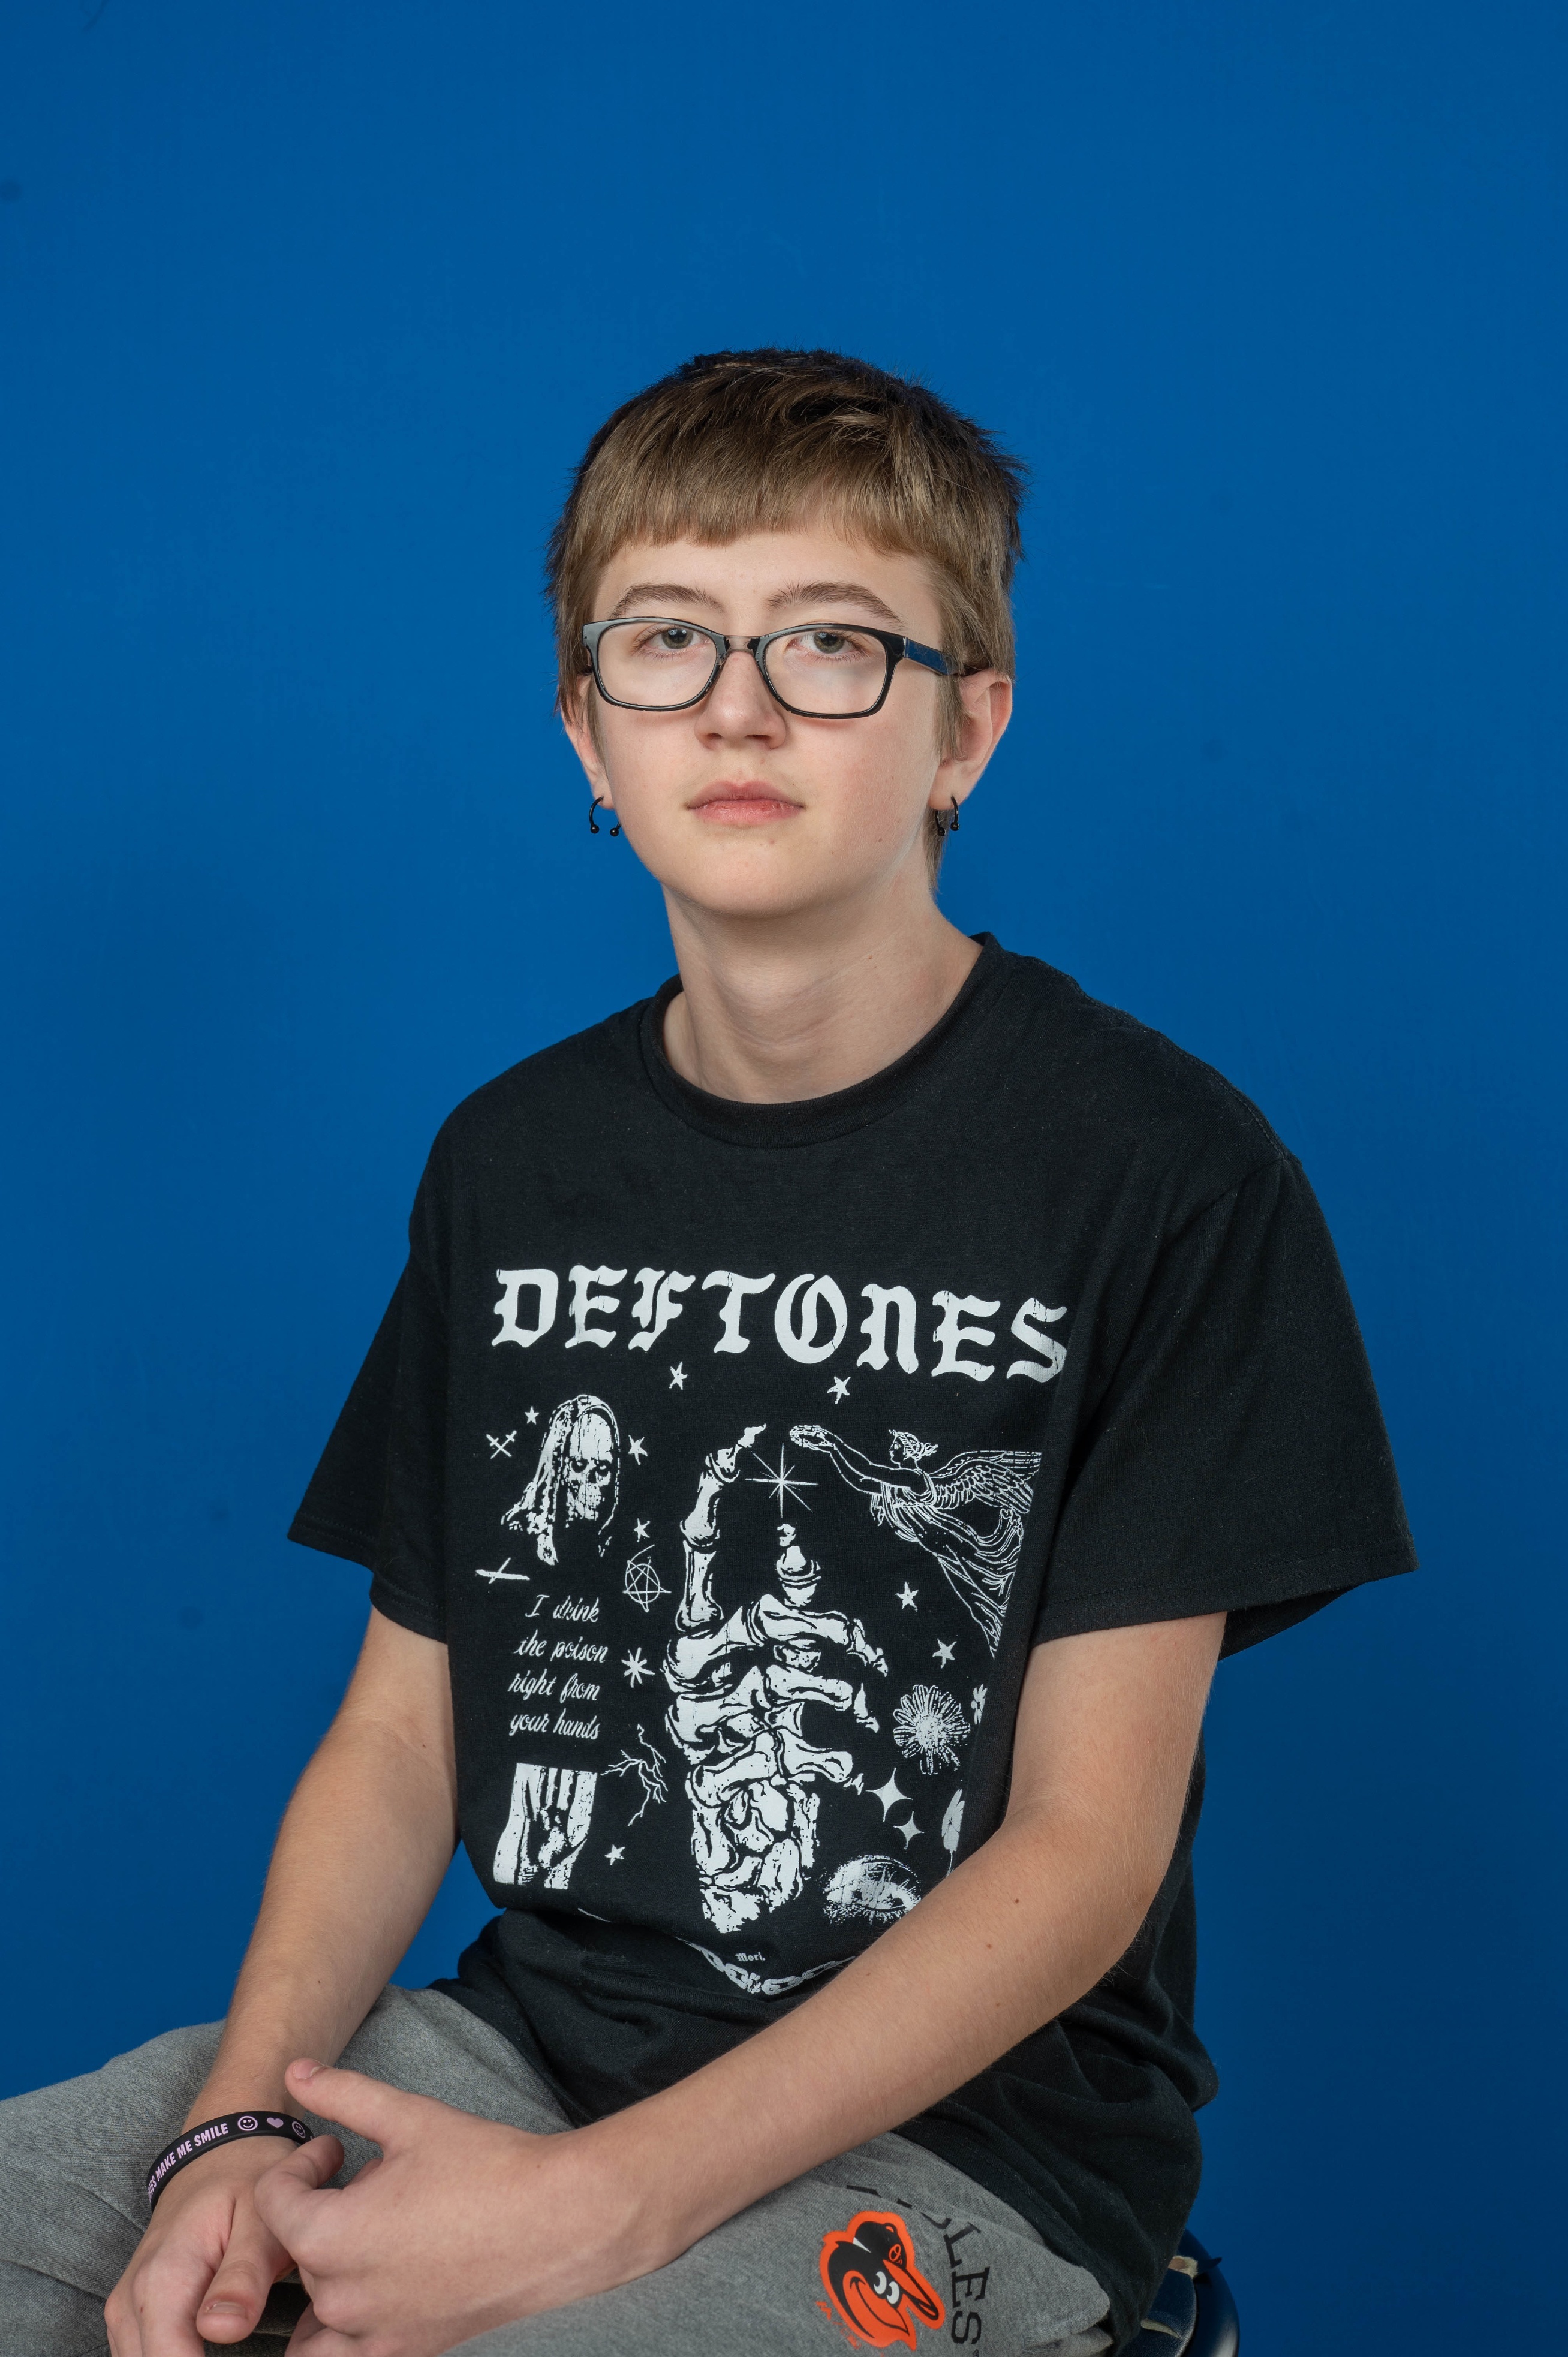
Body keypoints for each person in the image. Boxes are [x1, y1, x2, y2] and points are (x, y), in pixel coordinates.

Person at [0, 348, 1415, 2357]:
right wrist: (233, 2126)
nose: (738, 708)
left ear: (968, 726)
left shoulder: (1162, 1175)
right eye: (666, 640)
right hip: (520, 2051)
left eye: (832, 642)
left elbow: (1087, 1846)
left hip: (962, 2149)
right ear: (588, 728)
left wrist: (588, 2217)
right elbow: (404, 1739)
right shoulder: (514, 1164)